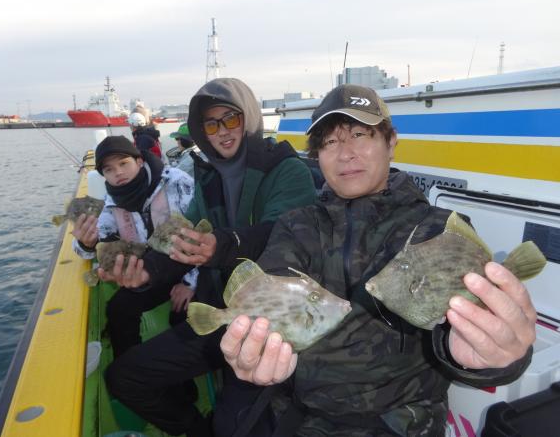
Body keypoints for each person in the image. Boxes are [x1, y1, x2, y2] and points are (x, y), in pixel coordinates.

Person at [219, 84, 536, 436]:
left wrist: (493, 359)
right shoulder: (296, 226)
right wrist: (253, 347)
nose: (345, 154)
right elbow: (272, 291)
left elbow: (462, 327)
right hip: (304, 419)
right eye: (330, 142)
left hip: (402, 424)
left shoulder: (436, 229)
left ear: (391, 142)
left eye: (359, 135)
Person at [103, 78, 317, 437]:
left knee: (237, 425)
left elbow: (281, 236)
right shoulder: (208, 177)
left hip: (267, 323)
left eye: (231, 119)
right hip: (216, 314)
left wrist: (222, 245)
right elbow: (185, 240)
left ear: (249, 117)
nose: (222, 131)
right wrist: (148, 272)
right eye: (211, 124)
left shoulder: (287, 170)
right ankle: (196, 428)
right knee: (124, 377)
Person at [71, 135, 197, 357]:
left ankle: (181, 365)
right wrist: (86, 243)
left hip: (189, 265)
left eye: (123, 163)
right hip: (149, 270)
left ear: (139, 161)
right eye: (109, 169)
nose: (118, 172)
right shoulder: (111, 201)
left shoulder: (177, 182)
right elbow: (95, 242)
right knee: (118, 308)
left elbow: (201, 232)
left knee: (182, 316)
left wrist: (191, 284)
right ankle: (130, 363)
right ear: (103, 176)